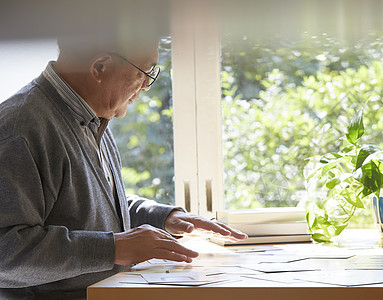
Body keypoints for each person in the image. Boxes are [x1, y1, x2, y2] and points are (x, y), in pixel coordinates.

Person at [0, 32, 247, 299]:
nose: (146, 86)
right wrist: (114, 248)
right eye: (144, 71)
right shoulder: (19, 130)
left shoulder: (92, 115)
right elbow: (6, 253)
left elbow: (84, 205)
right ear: (100, 67)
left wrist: (163, 217)